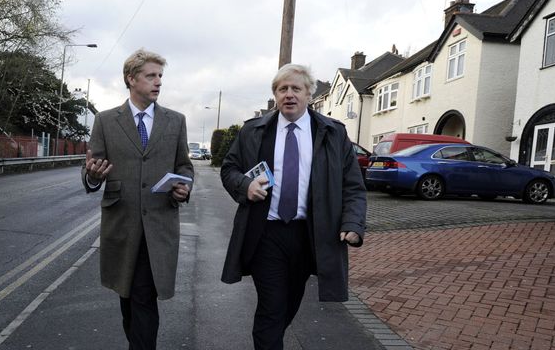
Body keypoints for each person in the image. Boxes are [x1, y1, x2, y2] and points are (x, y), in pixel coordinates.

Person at [220, 64, 367, 350]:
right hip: (266, 234)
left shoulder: (333, 133)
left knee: (289, 303)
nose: (289, 94)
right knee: (272, 306)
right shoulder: (254, 131)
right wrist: (244, 186)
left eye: (296, 88)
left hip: (309, 235)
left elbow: (353, 186)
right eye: (282, 89)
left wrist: (352, 223)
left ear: (309, 94)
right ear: (275, 95)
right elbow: (229, 169)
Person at [82, 48, 194, 350]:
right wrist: (94, 175)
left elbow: (184, 166)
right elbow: (92, 171)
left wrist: (184, 187)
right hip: (121, 224)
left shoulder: (175, 121)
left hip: (159, 224)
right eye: (151, 76)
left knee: (144, 296)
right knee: (128, 298)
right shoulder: (106, 121)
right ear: (131, 79)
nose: (158, 82)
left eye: (160, 76)